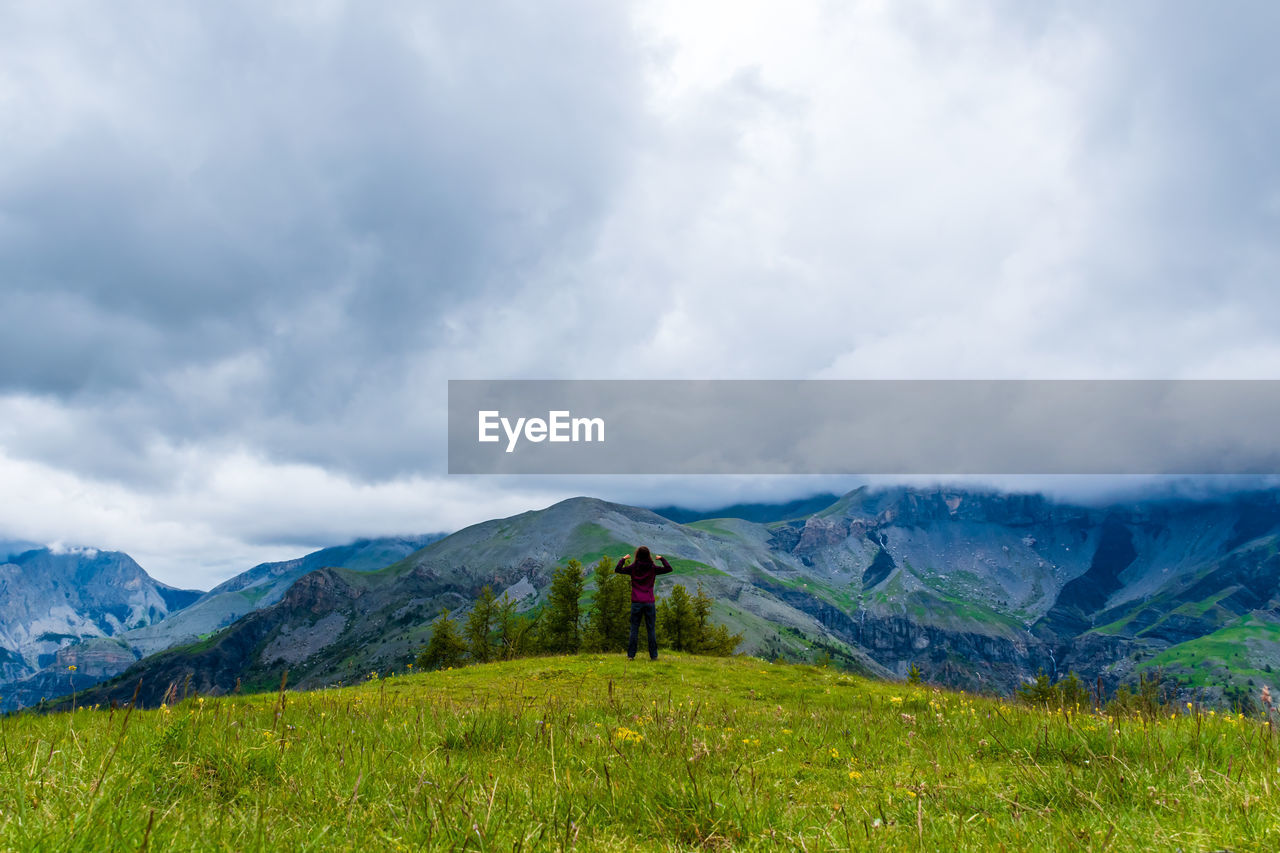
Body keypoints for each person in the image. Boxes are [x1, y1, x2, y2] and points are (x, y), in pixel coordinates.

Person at [615, 546, 673, 661]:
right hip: (649, 602)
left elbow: (618, 569)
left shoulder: (633, 568)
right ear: (648, 555)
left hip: (636, 602)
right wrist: (662, 558)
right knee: (651, 629)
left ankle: (631, 656)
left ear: (637, 555)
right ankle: (654, 656)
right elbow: (668, 568)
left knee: (634, 629)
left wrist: (623, 559)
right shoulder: (652, 568)